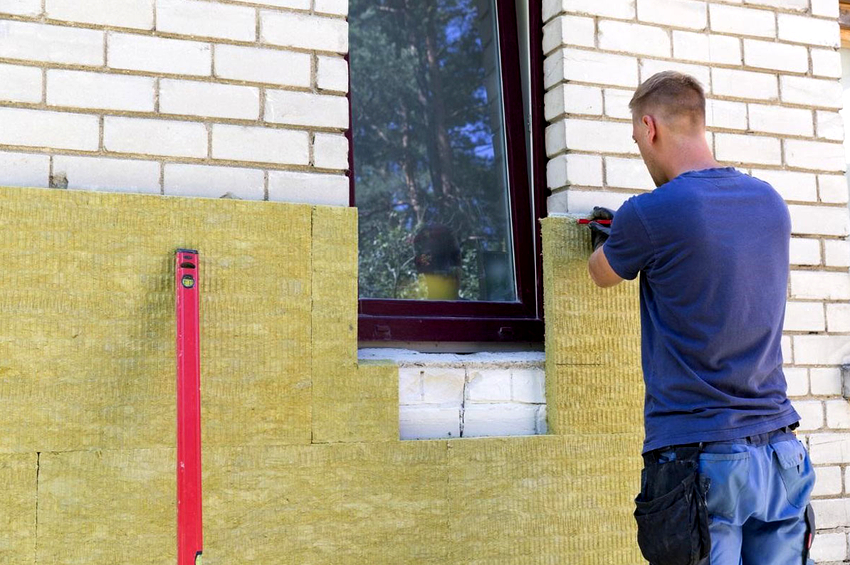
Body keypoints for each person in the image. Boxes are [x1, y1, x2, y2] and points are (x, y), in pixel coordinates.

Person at [585, 71, 816, 565]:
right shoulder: (770, 202)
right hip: (780, 455)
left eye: (635, 139)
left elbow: (601, 275)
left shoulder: (649, 213)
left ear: (650, 128)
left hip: (702, 459)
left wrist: (615, 235)